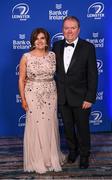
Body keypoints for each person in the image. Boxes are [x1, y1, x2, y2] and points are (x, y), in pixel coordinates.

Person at [52, 16, 98, 169]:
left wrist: (89, 98)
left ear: (78, 29)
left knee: (83, 128)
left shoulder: (88, 47)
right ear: (62, 29)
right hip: (63, 97)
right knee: (68, 128)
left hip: (81, 98)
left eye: (72, 28)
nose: (69, 31)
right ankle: (73, 151)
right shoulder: (56, 46)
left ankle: (84, 155)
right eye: (66, 28)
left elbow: (92, 74)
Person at [19, 27, 65, 174]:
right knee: (36, 124)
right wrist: (23, 98)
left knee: (50, 124)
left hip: (51, 93)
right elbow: (21, 79)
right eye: (37, 38)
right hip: (33, 93)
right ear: (33, 41)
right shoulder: (26, 56)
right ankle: (36, 159)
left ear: (47, 41)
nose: (39, 41)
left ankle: (50, 157)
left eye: (42, 38)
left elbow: (59, 74)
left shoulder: (52, 55)